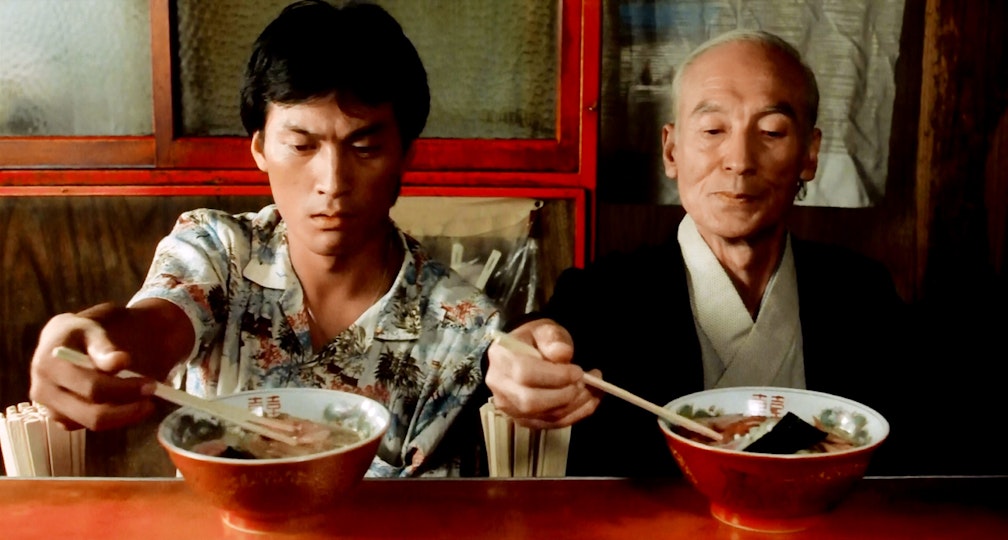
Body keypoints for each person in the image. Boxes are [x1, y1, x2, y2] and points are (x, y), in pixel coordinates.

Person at [29, 0, 500, 477]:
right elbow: (154, 328)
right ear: (259, 148)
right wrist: (90, 340)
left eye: (364, 148)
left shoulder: (461, 329)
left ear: (406, 155)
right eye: (301, 146)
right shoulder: (219, 252)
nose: (332, 181)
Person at [483, 29, 920, 477]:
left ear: (809, 155)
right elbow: (535, 346)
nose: (739, 159)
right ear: (671, 150)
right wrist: (517, 361)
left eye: (771, 131)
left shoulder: (861, 292)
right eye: (713, 129)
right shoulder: (604, 294)